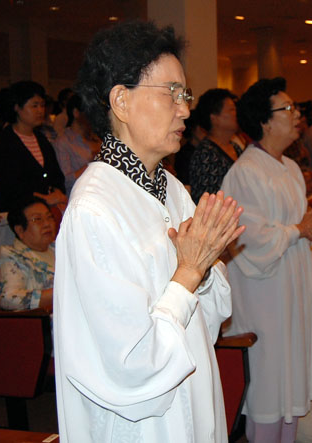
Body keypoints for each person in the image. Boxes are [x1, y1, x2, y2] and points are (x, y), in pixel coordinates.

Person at [53, 21, 245, 442]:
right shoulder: (94, 209)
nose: (185, 109)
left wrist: (204, 267)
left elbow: (209, 322)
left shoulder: (171, 189)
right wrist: (190, 272)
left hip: (193, 399)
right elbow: (130, 364)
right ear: (121, 101)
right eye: (171, 93)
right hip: (141, 425)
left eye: (185, 94)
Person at [221, 77, 312, 442]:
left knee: (290, 382)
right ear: (265, 121)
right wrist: (297, 229)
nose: (297, 115)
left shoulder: (291, 168)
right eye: (288, 109)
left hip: (292, 283)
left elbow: (290, 226)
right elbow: (249, 238)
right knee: (269, 384)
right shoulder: (246, 172)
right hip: (264, 294)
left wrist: (306, 227)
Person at [0, 81, 67, 213]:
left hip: (46, 210)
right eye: (34, 105)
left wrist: (57, 191)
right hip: (19, 212)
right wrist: (42, 199)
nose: (40, 111)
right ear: (17, 107)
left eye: (42, 105)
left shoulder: (41, 139)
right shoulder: (4, 142)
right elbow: (9, 184)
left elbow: (56, 175)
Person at [0, 196, 55, 311]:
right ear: (20, 230)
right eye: (38, 219)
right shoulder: (10, 256)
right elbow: (9, 299)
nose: (47, 224)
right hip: (47, 318)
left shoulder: (61, 248)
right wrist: (59, 293)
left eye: (49, 217)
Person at [188, 88, 242, 203]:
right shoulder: (205, 154)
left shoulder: (236, 147)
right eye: (231, 110)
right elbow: (205, 200)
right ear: (214, 117)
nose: (236, 113)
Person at [52, 94, 101, 195]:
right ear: (76, 113)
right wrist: (93, 163)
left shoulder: (97, 139)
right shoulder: (63, 142)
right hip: (80, 196)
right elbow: (65, 181)